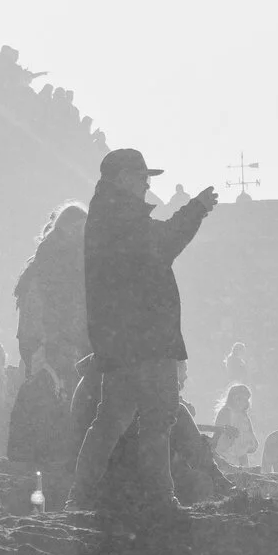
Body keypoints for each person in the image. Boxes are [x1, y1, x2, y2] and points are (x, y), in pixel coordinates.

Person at [67, 149, 218, 511]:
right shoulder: (123, 217)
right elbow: (164, 244)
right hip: (147, 338)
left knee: (110, 421)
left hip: (120, 340)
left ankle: (79, 498)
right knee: (157, 420)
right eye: (141, 177)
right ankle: (161, 500)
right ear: (121, 178)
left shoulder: (105, 215)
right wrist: (195, 209)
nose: (146, 185)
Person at [7, 204, 87, 469]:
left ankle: (41, 456)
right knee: (55, 397)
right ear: (72, 228)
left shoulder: (48, 256)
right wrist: (50, 343)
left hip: (42, 341)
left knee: (50, 395)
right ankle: (49, 458)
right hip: (50, 341)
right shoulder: (60, 258)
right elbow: (52, 306)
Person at [212, 383, 258, 469]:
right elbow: (220, 438)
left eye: (246, 399)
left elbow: (253, 442)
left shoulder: (244, 417)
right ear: (233, 398)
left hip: (241, 458)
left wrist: (249, 445)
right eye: (240, 398)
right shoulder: (226, 412)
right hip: (226, 456)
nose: (243, 402)